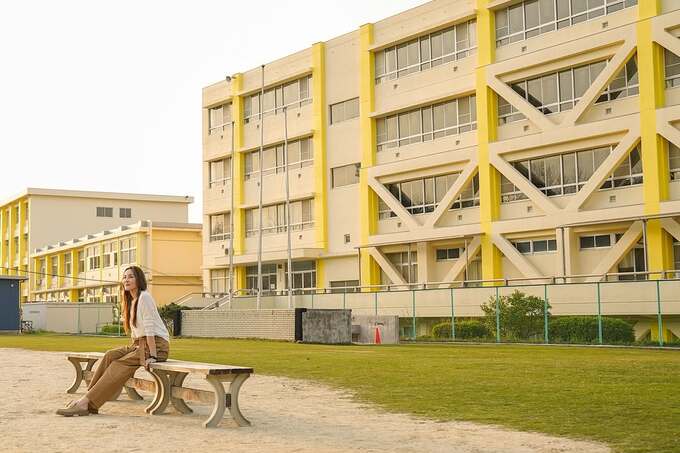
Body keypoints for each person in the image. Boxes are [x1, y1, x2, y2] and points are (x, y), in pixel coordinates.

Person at [57, 265, 170, 416]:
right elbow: (137, 332)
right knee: (110, 355)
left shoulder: (145, 297)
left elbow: (150, 329)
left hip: (156, 346)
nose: (126, 280)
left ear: (139, 280)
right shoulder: (131, 300)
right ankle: (88, 400)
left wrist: (153, 356)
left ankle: (84, 403)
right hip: (139, 345)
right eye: (124, 277)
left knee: (118, 364)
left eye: (131, 276)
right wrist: (135, 348)